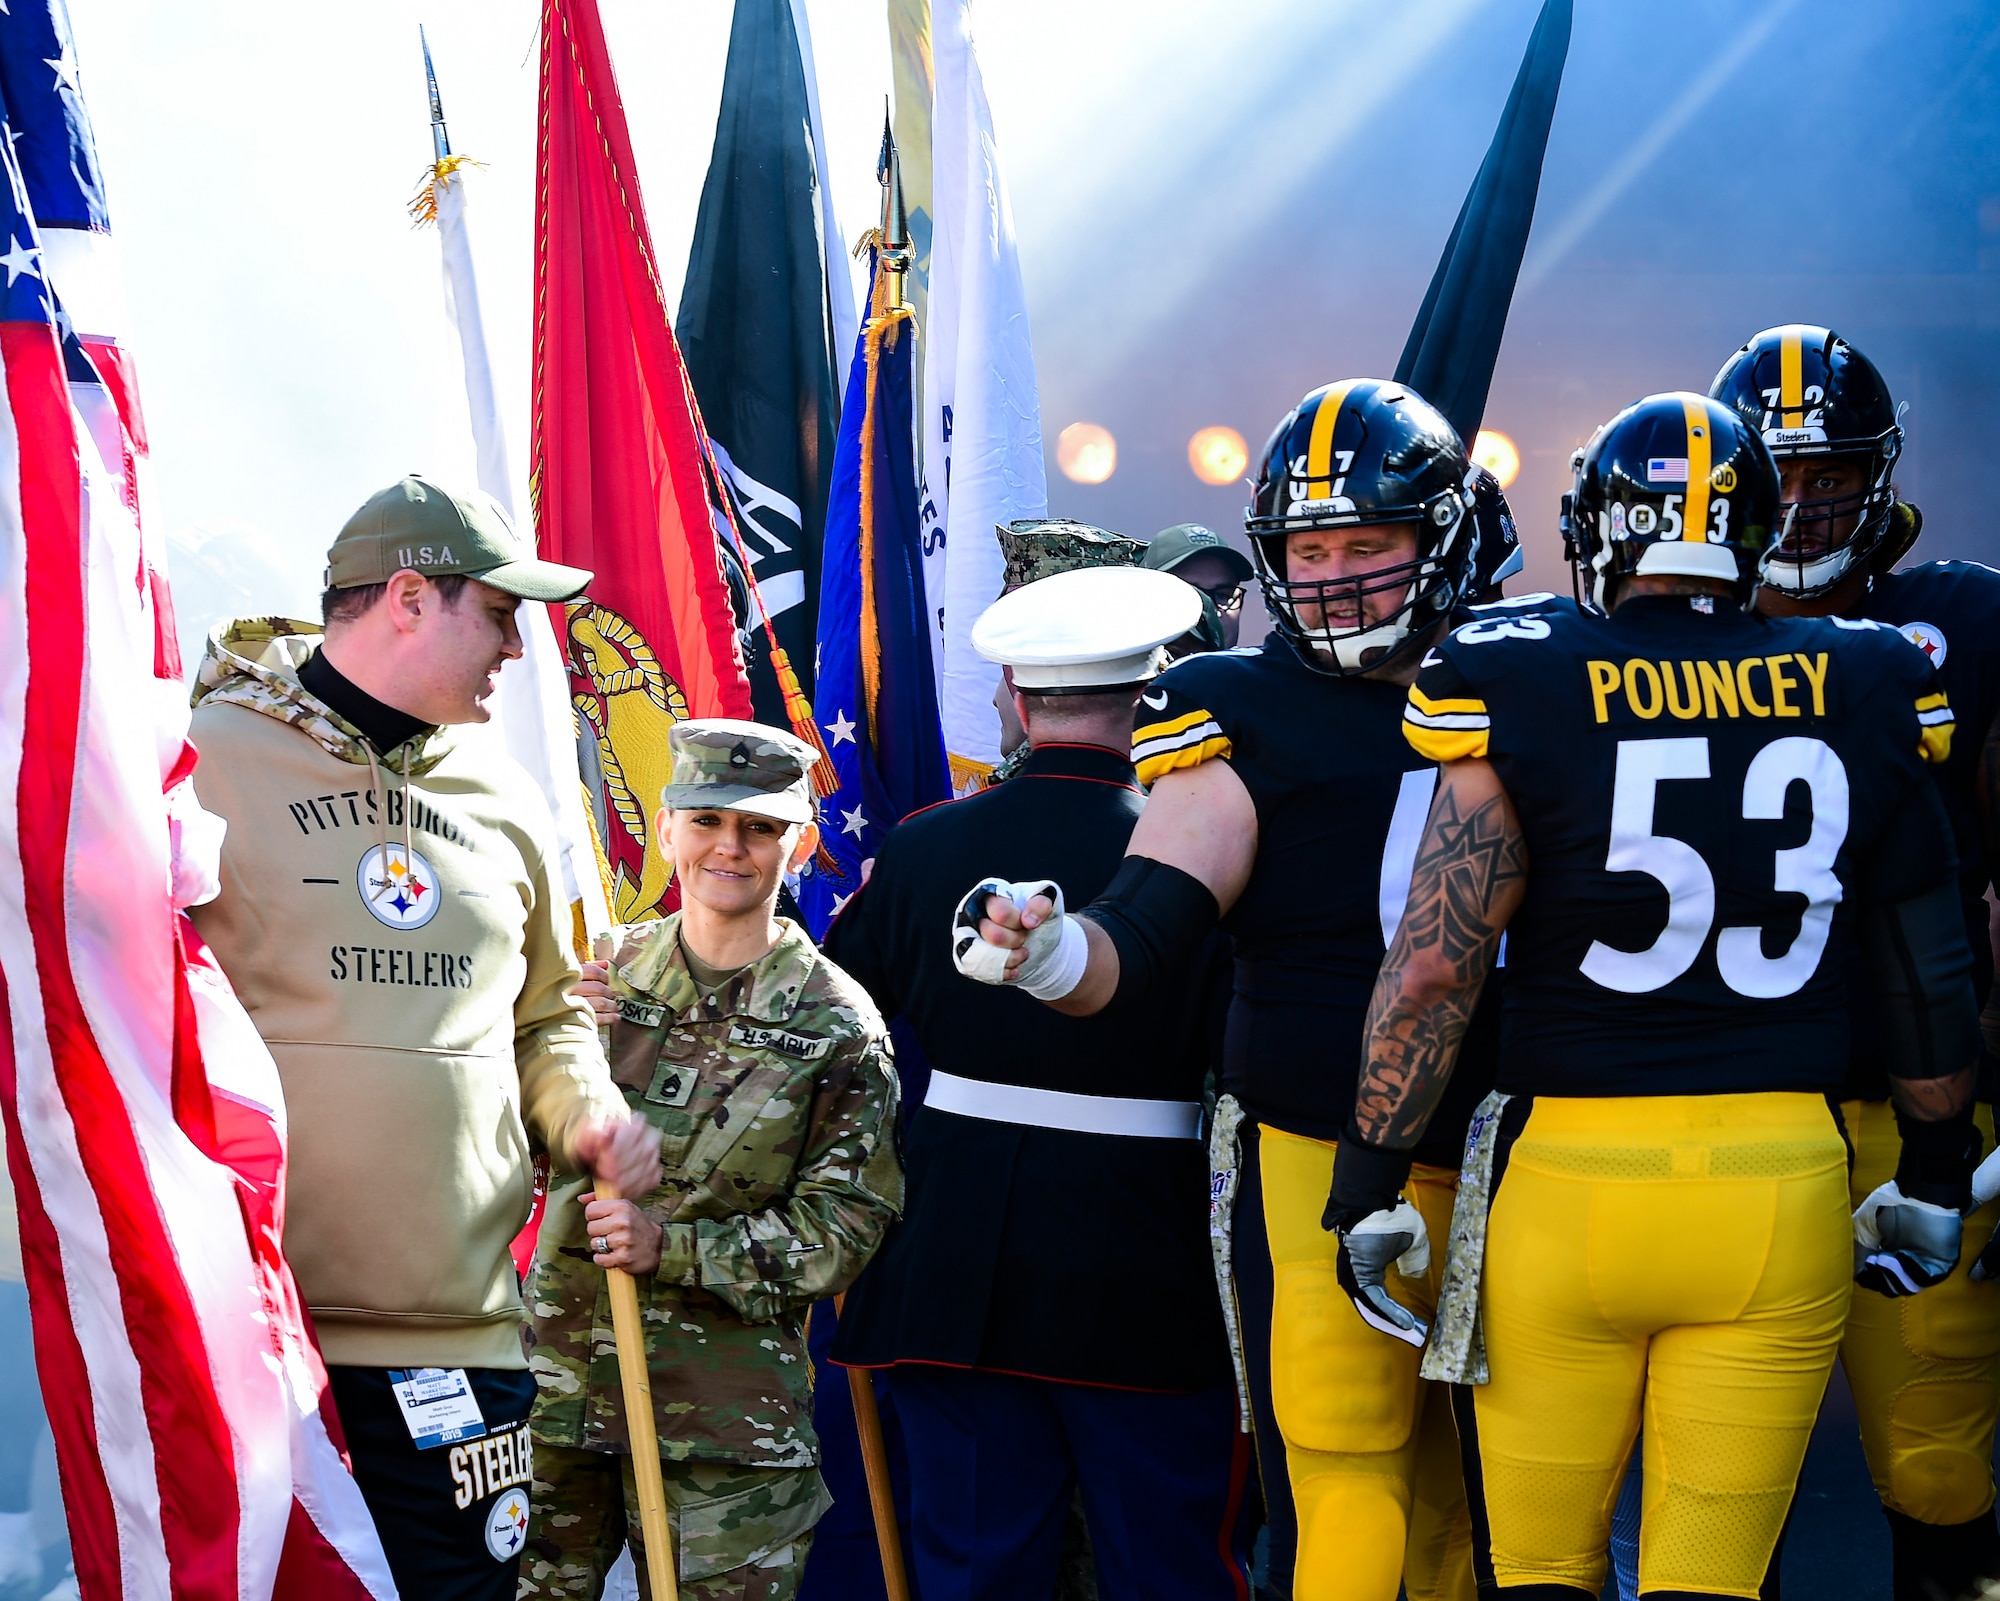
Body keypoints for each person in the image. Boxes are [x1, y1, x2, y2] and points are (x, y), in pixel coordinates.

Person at [1325, 392, 1978, 1599]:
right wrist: (1936, 1167)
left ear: (1593, 529)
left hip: (1566, 1182)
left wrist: (1367, 1176)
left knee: (1536, 1567)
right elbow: (1922, 958)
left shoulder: (1514, 666)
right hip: (1776, 1184)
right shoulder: (1866, 672)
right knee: (1710, 1578)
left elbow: (1431, 962)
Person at [954, 380, 1504, 1601]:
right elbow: (1152, 912)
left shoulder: (1536, 672)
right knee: (1346, 1467)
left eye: (1370, 543)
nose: (1338, 577)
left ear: (1442, 537)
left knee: (1492, 1489)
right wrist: (1057, 951)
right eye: (1310, 551)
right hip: (1317, 1136)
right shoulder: (1239, 703)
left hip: (1518, 1141)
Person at [186, 474, 661, 1599]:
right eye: (498, 613)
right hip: (258, 1335)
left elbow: (545, 1015)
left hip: (463, 1342)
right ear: (409, 597)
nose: (515, 645)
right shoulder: (195, 759)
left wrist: (585, 1114)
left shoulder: (503, 797)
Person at [824, 564, 1251, 1601]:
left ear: (1012, 697)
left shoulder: (921, 845)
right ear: (1154, 693)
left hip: (952, 1247)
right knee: (1169, 1563)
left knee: (973, 1564)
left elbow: (838, 1020)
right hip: (1139, 1250)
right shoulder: (1194, 845)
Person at [1711, 325, 2000, 1600]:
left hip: (1916, 1104)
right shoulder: (1651, 632)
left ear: (1878, 473)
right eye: (1780, 472)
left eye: (1831, 470)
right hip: (1718, 1100)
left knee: (1939, 1471)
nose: (1807, 498)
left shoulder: (1961, 617)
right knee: (1719, 1487)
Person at [522, 719, 904, 1601]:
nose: (729, 846)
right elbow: (498, 1149)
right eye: (707, 820)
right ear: (666, 829)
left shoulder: (836, 1024)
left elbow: (847, 1227)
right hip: (559, 1387)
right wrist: (544, 1050)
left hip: (723, 1423)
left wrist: (676, 1247)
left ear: (799, 844)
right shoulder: (598, 978)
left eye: (760, 827)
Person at [1141, 523, 1256, 655]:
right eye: (1190, 594)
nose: (1211, 610)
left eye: (1222, 596)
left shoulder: (1268, 674)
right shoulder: (1115, 672)